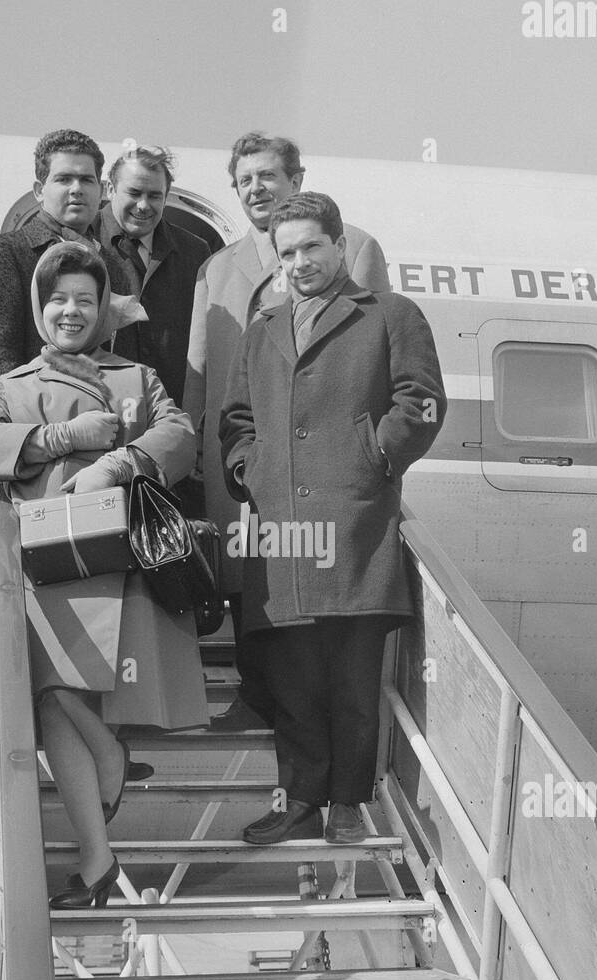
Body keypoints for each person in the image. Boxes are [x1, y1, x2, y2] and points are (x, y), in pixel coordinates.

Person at [0, 241, 206, 905]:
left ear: (103, 311)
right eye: (58, 299)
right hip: (42, 564)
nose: (71, 311)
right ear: (40, 309)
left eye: (85, 300)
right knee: (49, 694)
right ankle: (109, 763)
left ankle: (97, 863)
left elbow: (179, 438)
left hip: (113, 564)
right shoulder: (9, 388)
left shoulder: (136, 378)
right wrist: (63, 441)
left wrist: (117, 464)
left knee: (55, 699)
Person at [219, 192, 445, 845]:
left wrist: (374, 455)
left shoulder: (392, 315)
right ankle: (298, 802)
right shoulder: (262, 328)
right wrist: (248, 471)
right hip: (283, 530)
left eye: (311, 246)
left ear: (340, 246)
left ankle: (347, 803)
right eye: (286, 252)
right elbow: (236, 420)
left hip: (354, 526)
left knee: (350, 680)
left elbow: (423, 401)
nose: (299, 262)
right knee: (290, 679)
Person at [183, 132, 391, 732]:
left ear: (297, 181)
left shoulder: (358, 250)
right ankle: (254, 694)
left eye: (269, 176)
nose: (257, 188)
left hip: (321, 458)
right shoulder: (216, 268)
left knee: (310, 576)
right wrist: (203, 447)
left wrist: (369, 451)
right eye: (245, 179)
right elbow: (199, 370)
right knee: (248, 576)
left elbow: (379, 351)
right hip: (245, 455)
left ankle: (307, 712)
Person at [0, 129, 131, 409]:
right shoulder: (3, 253)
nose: (76, 189)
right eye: (63, 179)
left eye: (86, 180)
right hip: (29, 429)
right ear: (40, 190)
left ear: (100, 191)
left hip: (98, 428)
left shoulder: (111, 266)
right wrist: (9, 433)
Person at [100, 145, 210, 410]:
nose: (143, 205)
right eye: (134, 193)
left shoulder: (195, 251)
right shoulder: (83, 242)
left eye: (154, 196)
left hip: (170, 413)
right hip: (99, 411)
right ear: (111, 190)